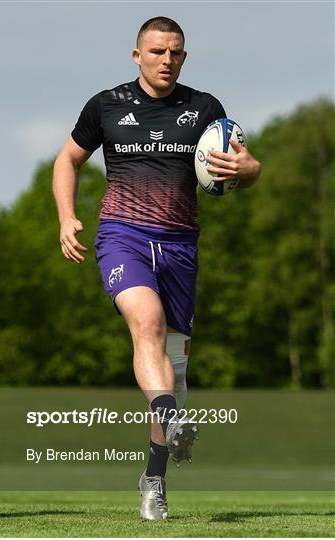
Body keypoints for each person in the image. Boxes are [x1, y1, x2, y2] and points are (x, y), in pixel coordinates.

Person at [53, 16, 261, 521]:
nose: (167, 61)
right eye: (158, 52)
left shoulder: (204, 108)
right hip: (122, 236)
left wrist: (249, 169)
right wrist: (67, 217)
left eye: (176, 53)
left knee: (175, 369)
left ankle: (154, 477)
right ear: (137, 55)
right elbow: (68, 160)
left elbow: (247, 165)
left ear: (183, 57)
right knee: (145, 326)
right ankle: (173, 419)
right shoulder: (106, 106)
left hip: (181, 246)